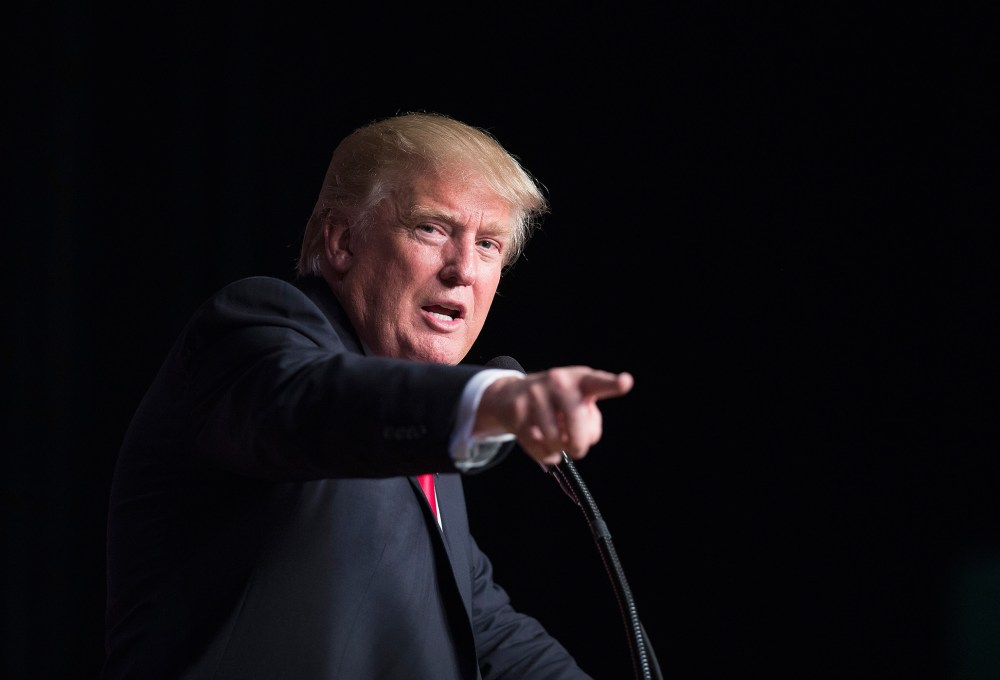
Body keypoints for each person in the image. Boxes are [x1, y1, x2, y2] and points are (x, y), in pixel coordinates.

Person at [102, 111, 635, 679]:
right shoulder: (251, 335)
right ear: (341, 240)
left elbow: (484, 630)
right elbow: (320, 405)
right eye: (432, 228)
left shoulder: (429, 451)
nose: (463, 271)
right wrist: (492, 400)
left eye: (487, 244)